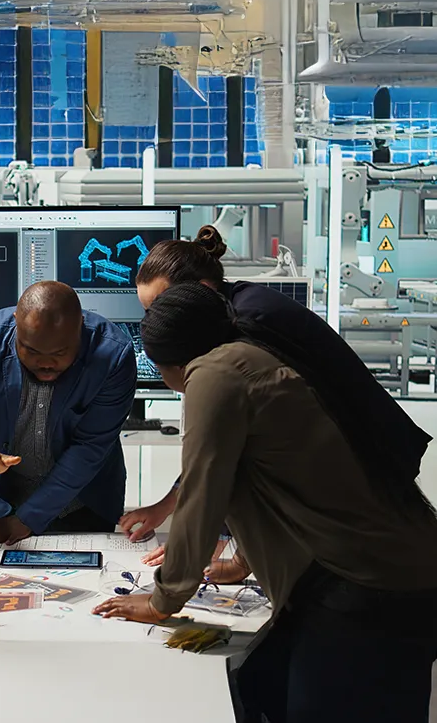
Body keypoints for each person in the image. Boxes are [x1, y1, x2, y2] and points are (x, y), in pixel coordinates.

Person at [94, 283, 437, 723]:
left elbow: (203, 494)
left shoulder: (213, 376)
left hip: (364, 591)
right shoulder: (254, 353)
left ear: (167, 363)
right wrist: (245, 560)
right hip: (392, 575)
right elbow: (286, 478)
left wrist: (164, 598)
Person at [120, 224, 431, 550]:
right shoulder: (233, 309)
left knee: (396, 559)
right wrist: (168, 508)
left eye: (161, 305)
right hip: (346, 469)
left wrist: (207, 540)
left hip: (368, 465)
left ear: (202, 289)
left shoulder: (249, 327)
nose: (156, 321)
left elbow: (234, 450)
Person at [0, 281, 137, 546]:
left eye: (59, 353)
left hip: (82, 503)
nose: (45, 363)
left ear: (80, 328)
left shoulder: (113, 355)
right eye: (31, 350)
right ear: (16, 323)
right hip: (5, 500)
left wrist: (28, 519)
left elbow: (90, 447)